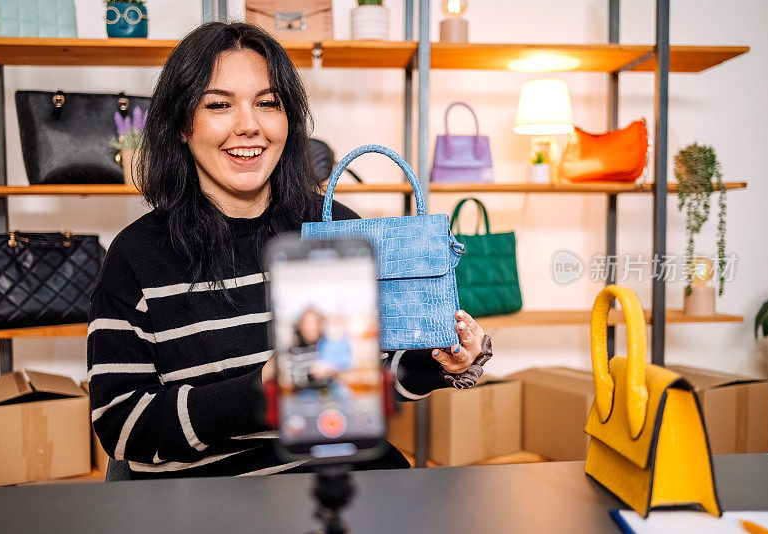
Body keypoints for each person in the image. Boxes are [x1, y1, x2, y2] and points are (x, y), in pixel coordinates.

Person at [87, 21, 488, 479]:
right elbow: (120, 428)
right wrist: (261, 389)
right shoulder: (136, 255)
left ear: (289, 118)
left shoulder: (335, 227)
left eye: (267, 103)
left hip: (334, 480)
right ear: (182, 124)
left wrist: (437, 361)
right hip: (205, 497)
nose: (249, 126)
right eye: (219, 104)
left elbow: (367, 377)